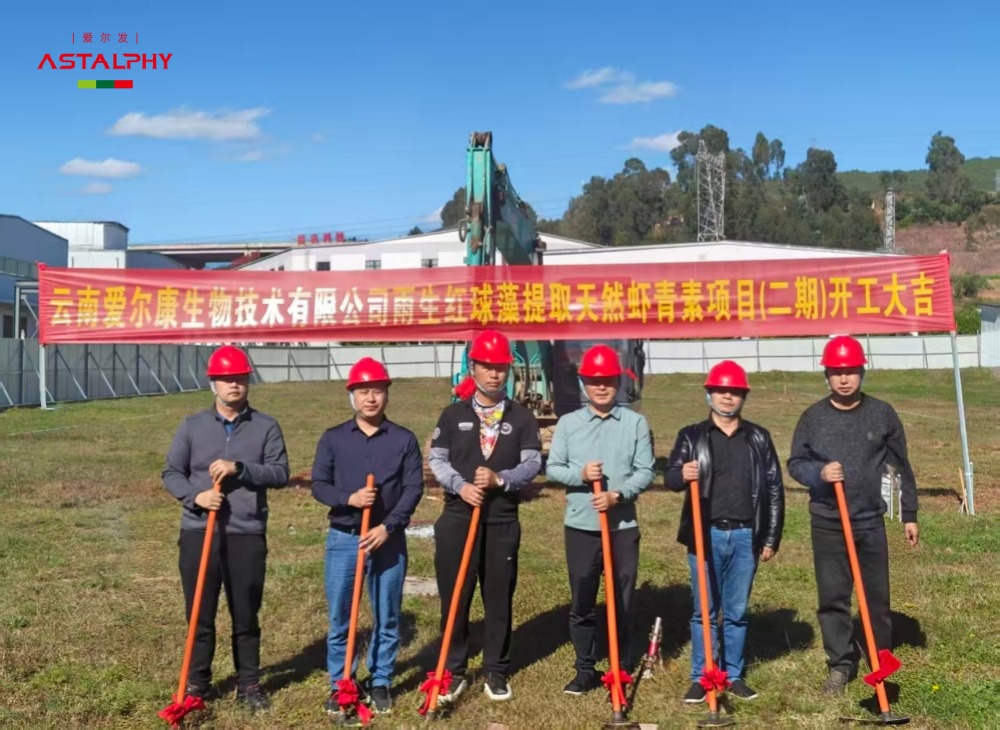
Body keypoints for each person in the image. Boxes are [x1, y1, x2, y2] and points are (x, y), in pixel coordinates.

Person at [787, 335, 919, 696]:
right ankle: (841, 664)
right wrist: (819, 474)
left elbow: (901, 465)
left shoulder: (882, 413)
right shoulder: (813, 417)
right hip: (828, 521)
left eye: (851, 371)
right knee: (833, 596)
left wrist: (909, 513)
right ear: (826, 375)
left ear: (862, 371)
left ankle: (878, 658)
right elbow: (796, 463)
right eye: (836, 372)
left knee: (875, 596)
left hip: (869, 520)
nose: (844, 378)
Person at [162, 344, 289, 713]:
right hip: (199, 533)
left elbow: (280, 472)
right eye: (226, 379)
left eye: (240, 378)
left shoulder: (265, 426)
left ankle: (248, 682)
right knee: (200, 612)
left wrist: (240, 468)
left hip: (245, 532)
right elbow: (171, 472)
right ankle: (198, 683)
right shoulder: (192, 426)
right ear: (213, 383)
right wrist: (196, 497)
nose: (234, 385)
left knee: (246, 613)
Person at [427, 329, 543, 703]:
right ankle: (455, 669)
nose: (494, 374)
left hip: (501, 520)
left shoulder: (522, 416)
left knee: (498, 597)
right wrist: (460, 486)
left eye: (501, 367)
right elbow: (438, 459)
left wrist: (501, 479)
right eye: (487, 366)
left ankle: (496, 669)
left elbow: (532, 463)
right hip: (458, 518)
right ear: (473, 368)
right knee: (456, 596)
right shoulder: (452, 414)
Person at [665, 360, 784, 704]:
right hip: (706, 536)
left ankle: (732, 675)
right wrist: (681, 474)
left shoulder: (759, 438)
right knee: (703, 611)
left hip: (747, 536)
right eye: (721, 391)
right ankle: (702, 676)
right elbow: (670, 479)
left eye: (734, 392)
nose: (727, 397)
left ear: (743, 396)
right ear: (710, 394)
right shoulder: (691, 436)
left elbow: (774, 488)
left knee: (735, 612)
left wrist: (771, 537)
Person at [311, 356, 424, 721]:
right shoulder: (333, 438)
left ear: (386, 394)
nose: (370, 398)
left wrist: (388, 526)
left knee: (387, 616)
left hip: (387, 540)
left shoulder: (404, 440)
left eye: (377, 390)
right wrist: (350, 499)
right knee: (341, 617)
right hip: (345, 538)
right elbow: (319, 485)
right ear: (352, 396)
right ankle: (341, 681)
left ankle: (381, 680)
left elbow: (413, 488)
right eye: (363, 391)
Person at [545, 344, 655, 696]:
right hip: (581, 527)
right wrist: (580, 474)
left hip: (622, 528)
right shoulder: (568, 424)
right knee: (582, 601)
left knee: (621, 601)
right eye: (594, 381)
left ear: (618, 382)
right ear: (583, 384)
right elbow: (553, 468)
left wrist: (617, 495)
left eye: (607, 380)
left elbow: (645, 471)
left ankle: (619, 668)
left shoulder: (635, 423)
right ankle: (585, 669)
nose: (601, 387)